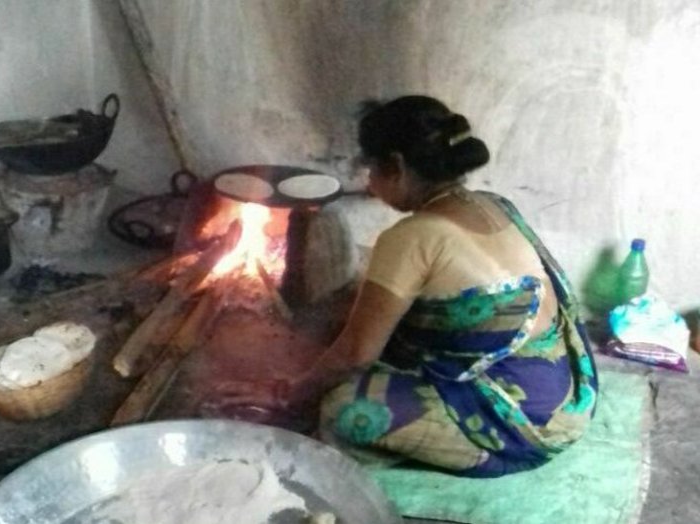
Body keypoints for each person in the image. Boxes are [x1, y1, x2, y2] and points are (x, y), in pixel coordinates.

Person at [222, 95, 598, 477]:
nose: (369, 183)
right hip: (564, 390)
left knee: (344, 410)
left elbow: (356, 354)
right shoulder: (491, 203)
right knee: (359, 322)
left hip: (522, 421)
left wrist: (287, 391)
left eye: (370, 168)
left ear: (397, 166)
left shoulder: (411, 237)